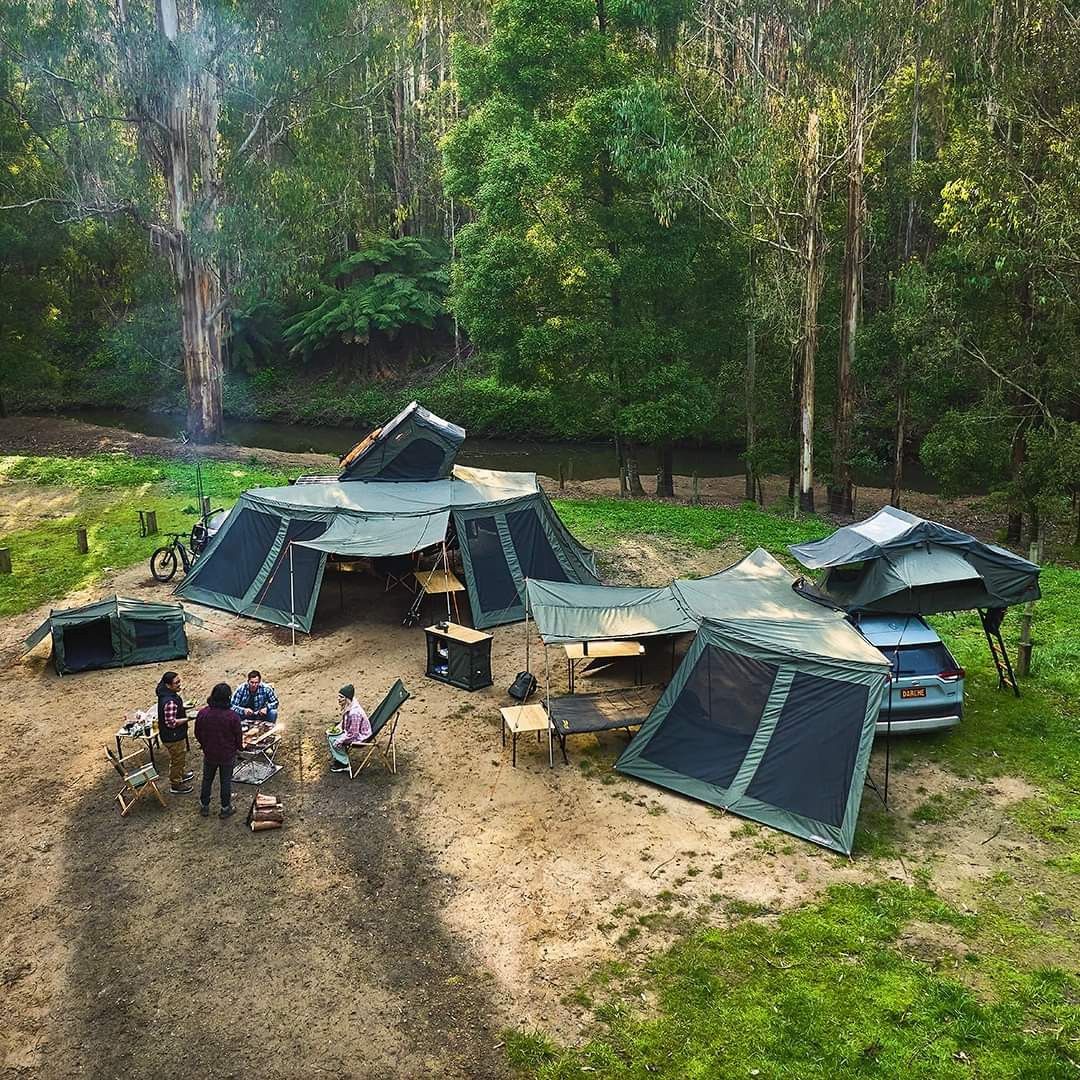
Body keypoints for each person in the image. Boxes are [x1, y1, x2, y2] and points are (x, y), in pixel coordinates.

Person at [195, 682, 244, 818]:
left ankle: (204, 806)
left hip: (209, 753)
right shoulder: (232, 716)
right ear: (228, 698)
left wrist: (204, 745)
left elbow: (197, 732)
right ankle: (225, 808)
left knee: (207, 779)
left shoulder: (203, 713)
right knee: (225, 781)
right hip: (227, 755)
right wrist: (239, 748)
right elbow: (238, 736)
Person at [155, 670, 193, 794]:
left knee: (179, 757)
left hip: (172, 735)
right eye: (176, 683)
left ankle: (180, 774)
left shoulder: (167, 695)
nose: (179, 684)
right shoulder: (169, 701)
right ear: (168, 685)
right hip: (173, 736)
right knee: (177, 759)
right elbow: (171, 723)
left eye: (179, 681)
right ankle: (176, 784)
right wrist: (188, 718)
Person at [327, 684, 371, 773]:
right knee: (331, 735)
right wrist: (339, 727)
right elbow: (346, 722)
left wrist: (340, 741)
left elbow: (353, 734)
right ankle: (340, 758)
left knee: (333, 739)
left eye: (341, 697)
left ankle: (344, 764)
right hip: (352, 731)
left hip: (360, 737)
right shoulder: (350, 704)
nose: (338, 699)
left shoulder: (354, 713)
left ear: (347, 699)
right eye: (338, 696)